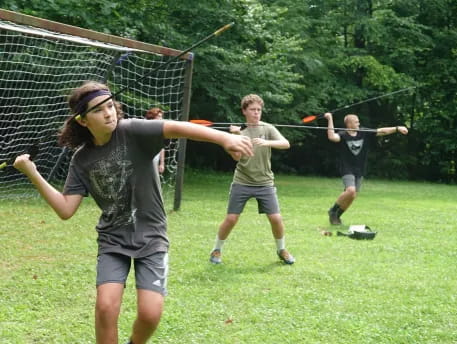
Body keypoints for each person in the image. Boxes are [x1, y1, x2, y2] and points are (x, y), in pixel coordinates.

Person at [13, 81, 253, 344]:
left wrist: (224, 138)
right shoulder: (81, 160)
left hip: (151, 238)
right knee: (106, 308)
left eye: (110, 106)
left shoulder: (132, 131)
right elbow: (65, 209)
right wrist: (32, 173)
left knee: (150, 315)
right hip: (113, 240)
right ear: (83, 121)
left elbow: (176, 127)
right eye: (98, 110)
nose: (108, 113)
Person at [209, 94, 295, 265]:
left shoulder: (267, 128)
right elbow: (236, 157)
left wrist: (267, 143)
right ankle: (216, 250)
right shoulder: (240, 132)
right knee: (232, 218)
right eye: (253, 110)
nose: (256, 113)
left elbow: (285, 143)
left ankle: (281, 249)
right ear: (244, 111)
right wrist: (234, 138)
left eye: (259, 110)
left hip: (265, 183)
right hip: (242, 181)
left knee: (276, 218)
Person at [324, 112, 408, 225]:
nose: (358, 123)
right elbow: (331, 136)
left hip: (359, 168)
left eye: (358, 121)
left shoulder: (363, 132)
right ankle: (332, 211)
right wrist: (330, 118)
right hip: (346, 167)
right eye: (356, 122)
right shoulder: (343, 135)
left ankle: (337, 216)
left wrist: (397, 128)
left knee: (352, 196)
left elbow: (382, 131)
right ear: (349, 124)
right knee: (350, 190)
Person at [145, 108, 165, 174]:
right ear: (152, 117)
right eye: (159, 116)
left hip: (155, 162)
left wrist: (162, 164)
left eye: (161, 116)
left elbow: (161, 148)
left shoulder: (160, 131)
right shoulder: (145, 129)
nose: (161, 119)